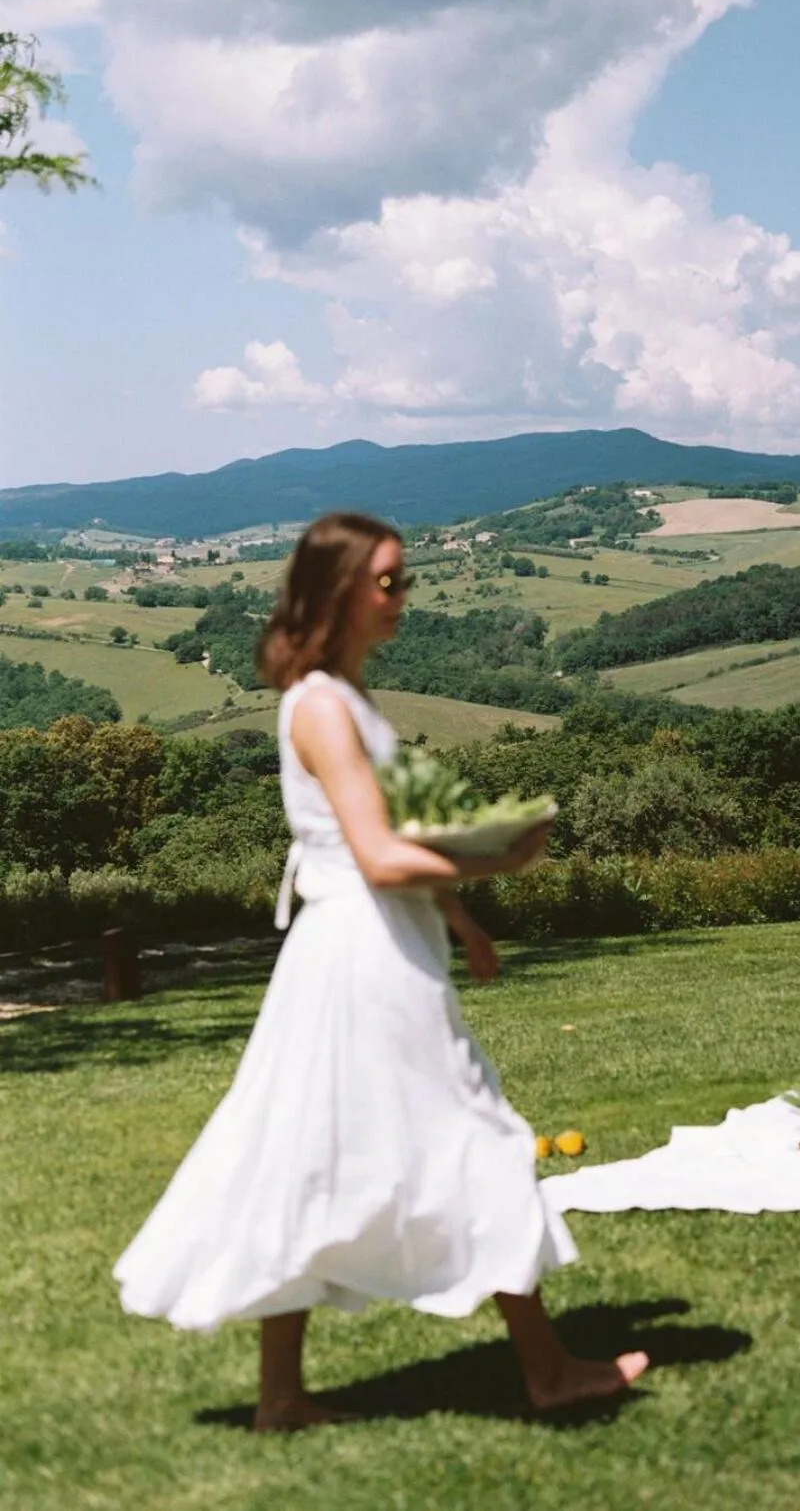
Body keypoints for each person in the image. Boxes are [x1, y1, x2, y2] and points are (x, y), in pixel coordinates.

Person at [114, 511, 649, 1431]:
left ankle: (282, 1399)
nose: (402, 597)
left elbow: (400, 835)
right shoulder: (321, 705)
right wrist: (504, 862)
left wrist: (459, 916)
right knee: (477, 1135)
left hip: (371, 946)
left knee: (312, 1154)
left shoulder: (342, 698)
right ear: (337, 590)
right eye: (388, 581)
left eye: (406, 580)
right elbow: (378, 857)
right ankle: (550, 1374)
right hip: (365, 953)